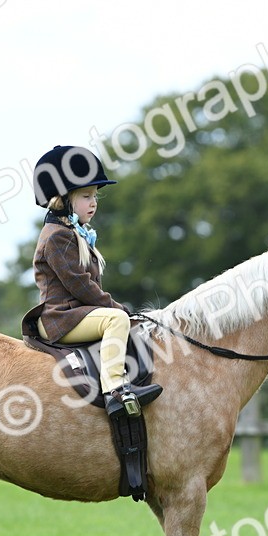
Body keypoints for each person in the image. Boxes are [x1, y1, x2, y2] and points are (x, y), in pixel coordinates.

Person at [22, 145, 161, 418]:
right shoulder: (57, 237)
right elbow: (81, 285)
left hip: (75, 314)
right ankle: (115, 391)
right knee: (115, 320)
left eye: (95, 196)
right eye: (86, 196)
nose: (94, 202)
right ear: (62, 199)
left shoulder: (71, 232)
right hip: (60, 318)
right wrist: (118, 308)